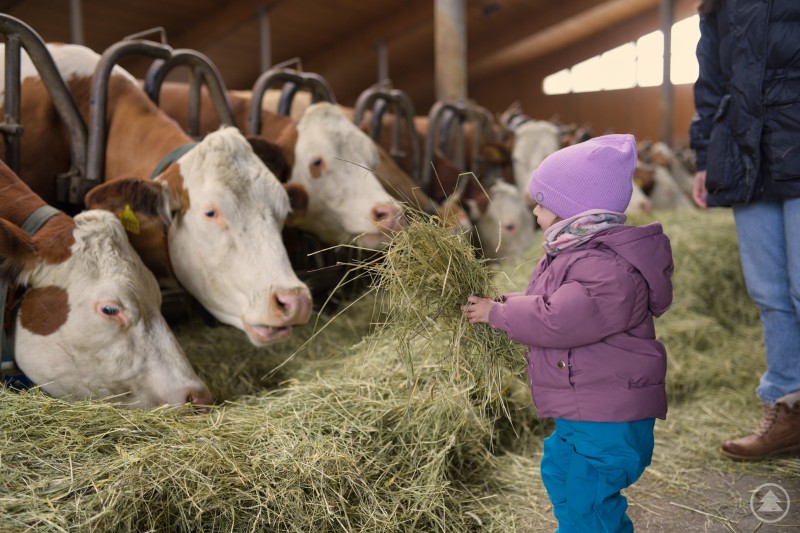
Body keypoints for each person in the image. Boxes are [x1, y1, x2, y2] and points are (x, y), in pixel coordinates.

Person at [463, 134, 673, 532]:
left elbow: (558, 319)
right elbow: (548, 301)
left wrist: (499, 314)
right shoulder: (576, 254)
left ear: (571, 212)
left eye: (542, 203)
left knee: (587, 497)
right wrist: (504, 302)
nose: (536, 212)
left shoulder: (607, 268)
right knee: (559, 473)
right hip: (585, 406)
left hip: (608, 414)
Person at [690, 0, 800, 460]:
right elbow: (711, 79)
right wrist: (703, 156)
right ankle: (788, 407)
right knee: (769, 292)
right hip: (744, 146)